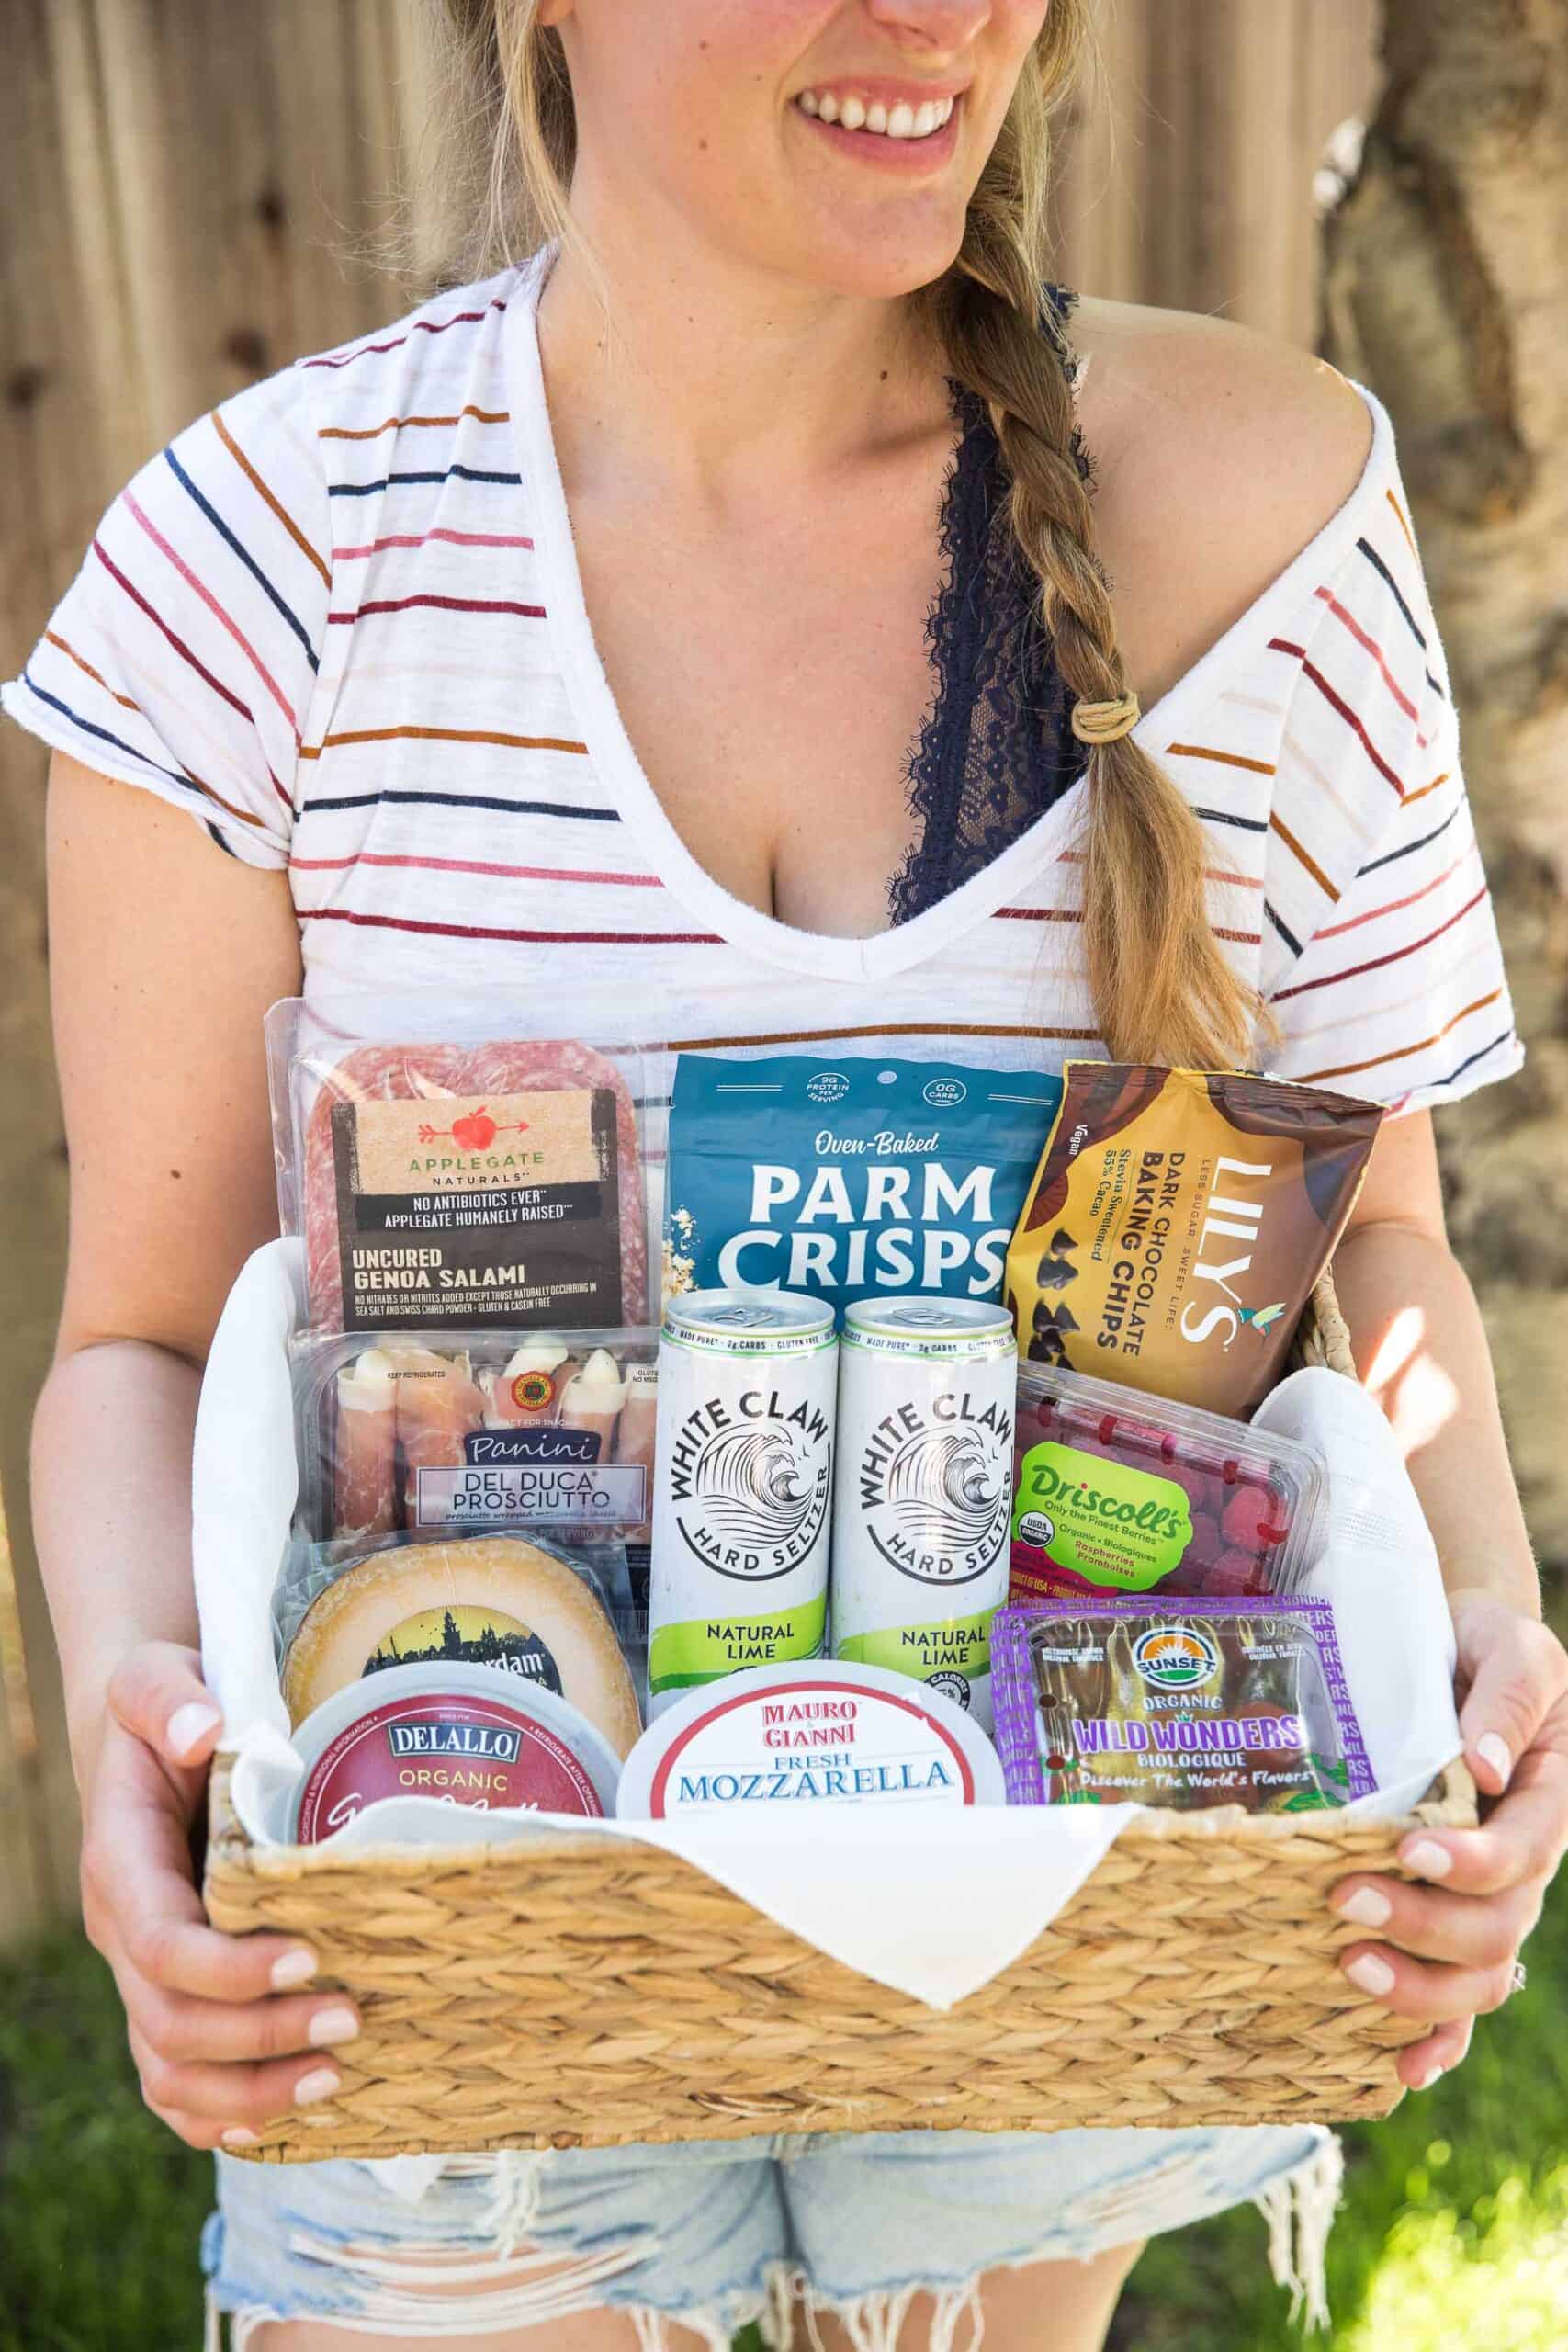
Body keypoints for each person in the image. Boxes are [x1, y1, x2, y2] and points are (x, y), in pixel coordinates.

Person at [6, 2, 1566, 2347]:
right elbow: (139, 1332)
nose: (936, 11)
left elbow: (1379, 1248)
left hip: (1054, 1933)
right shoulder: (258, 572)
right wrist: (143, 1703)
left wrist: (1470, 1645)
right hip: (456, 1916)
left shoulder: (1259, 517)